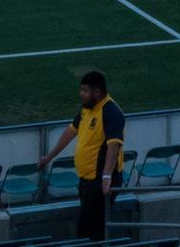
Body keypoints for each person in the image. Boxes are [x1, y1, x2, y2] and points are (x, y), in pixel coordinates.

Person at [38, 70, 125, 240]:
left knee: (89, 228)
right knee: (90, 225)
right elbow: (70, 132)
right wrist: (49, 156)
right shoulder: (88, 109)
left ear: (97, 92)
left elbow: (113, 146)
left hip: (100, 181)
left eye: (85, 91)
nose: (81, 94)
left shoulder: (111, 112)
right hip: (87, 179)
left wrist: (106, 177)